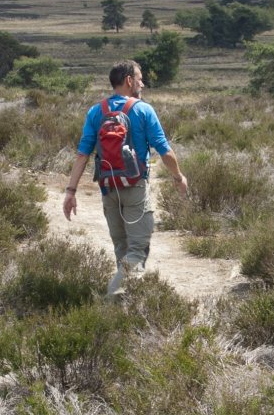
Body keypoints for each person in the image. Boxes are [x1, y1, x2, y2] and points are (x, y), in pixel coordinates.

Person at [61, 61, 188, 296]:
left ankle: (127, 305)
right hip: (135, 188)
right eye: (139, 78)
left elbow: (82, 154)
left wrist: (71, 191)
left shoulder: (95, 111)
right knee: (137, 251)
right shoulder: (143, 110)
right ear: (129, 81)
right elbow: (165, 151)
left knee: (122, 249)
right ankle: (112, 298)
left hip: (108, 189)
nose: (142, 83)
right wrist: (178, 177)